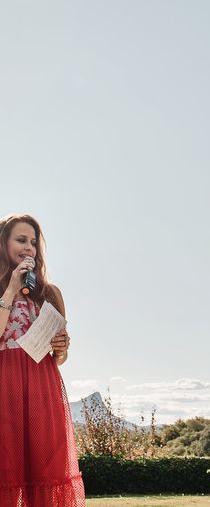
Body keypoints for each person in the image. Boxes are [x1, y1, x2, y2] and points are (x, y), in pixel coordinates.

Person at [0, 213, 85, 505]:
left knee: (46, 470)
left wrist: (62, 347)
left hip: (42, 388)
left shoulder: (50, 293)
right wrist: (11, 288)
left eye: (34, 242)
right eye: (21, 240)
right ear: (3, 244)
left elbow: (59, 357)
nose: (28, 248)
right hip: (4, 387)